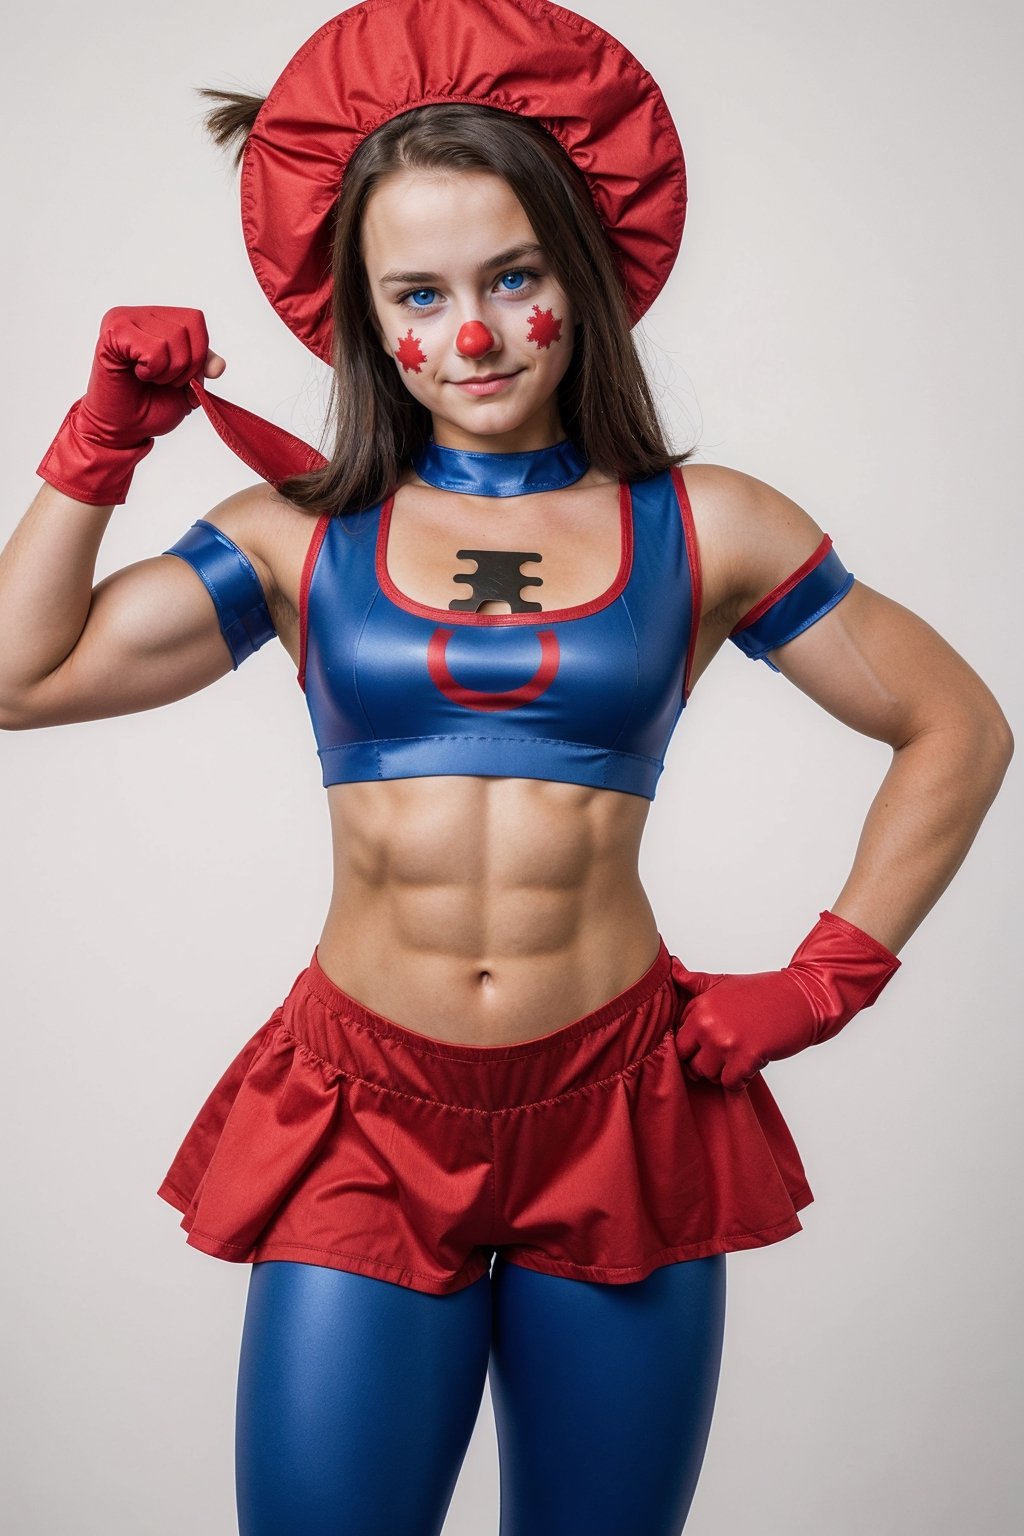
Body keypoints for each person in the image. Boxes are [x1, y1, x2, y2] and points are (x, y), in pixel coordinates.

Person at [0, 2, 1012, 1533]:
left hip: (620, 1110)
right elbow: (18, 680)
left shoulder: (707, 524)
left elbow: (957, 724)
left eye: (511, 279)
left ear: (580, 282)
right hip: (363, 1115)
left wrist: (827, 979)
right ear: (367, 316)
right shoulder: (297, 537)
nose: (466, 335)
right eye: (419, 293)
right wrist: (96, 449)